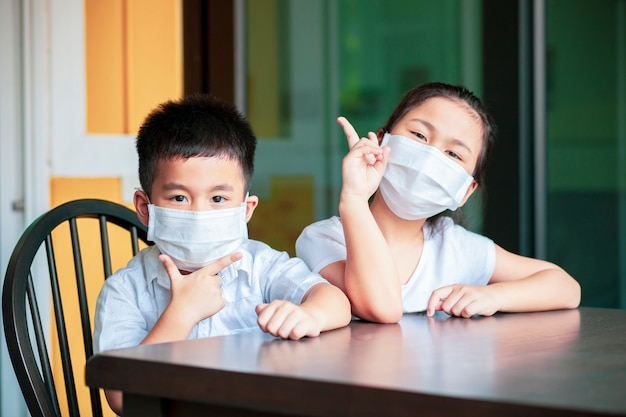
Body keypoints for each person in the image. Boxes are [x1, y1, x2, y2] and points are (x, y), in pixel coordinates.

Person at [93, 94, 351, 415]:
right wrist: (182, 313)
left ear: (246, 209)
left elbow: (336, 301)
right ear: (146, 208)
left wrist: (311, 314)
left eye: (217, 198)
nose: (200, 213)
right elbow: (121, 399)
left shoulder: (261, 266)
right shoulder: (124, 290)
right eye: (178, 198)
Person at [296, 82, 581, 324]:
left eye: (453, 154)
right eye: (419, 135)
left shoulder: (456, 247)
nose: (430, 158)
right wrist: (355, 199)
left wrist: (492, 296)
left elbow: (567, 288)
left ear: (465, 191)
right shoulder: (323, 239)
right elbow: (381, 306)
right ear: (382, 141)